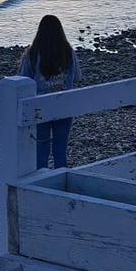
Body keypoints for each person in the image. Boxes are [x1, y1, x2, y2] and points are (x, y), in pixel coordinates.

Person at [20, 15, 81, 170]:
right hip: (64, 105)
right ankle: (61, 182)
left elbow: (22, 80)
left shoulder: (32, 54)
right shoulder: (68, 53)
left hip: (40, 108)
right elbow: (76, 78)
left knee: (41, 148)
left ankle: (41, 181)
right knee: (60, 150)